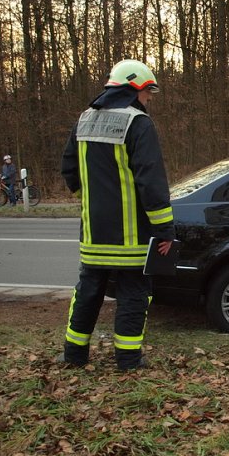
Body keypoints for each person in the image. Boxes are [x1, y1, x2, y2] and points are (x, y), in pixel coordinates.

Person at [58, 59, 175, 371]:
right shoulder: (138, 123)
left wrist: (92, 200)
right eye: (147, 93)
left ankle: (73, 355)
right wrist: (165, 228)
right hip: (132, 235)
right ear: (133, 89)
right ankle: (128, 359)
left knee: (88, 292)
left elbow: (69, 169)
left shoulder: (84, 120)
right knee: (134, 294)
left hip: (94, 234)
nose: (149, 99)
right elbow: (151, 181)